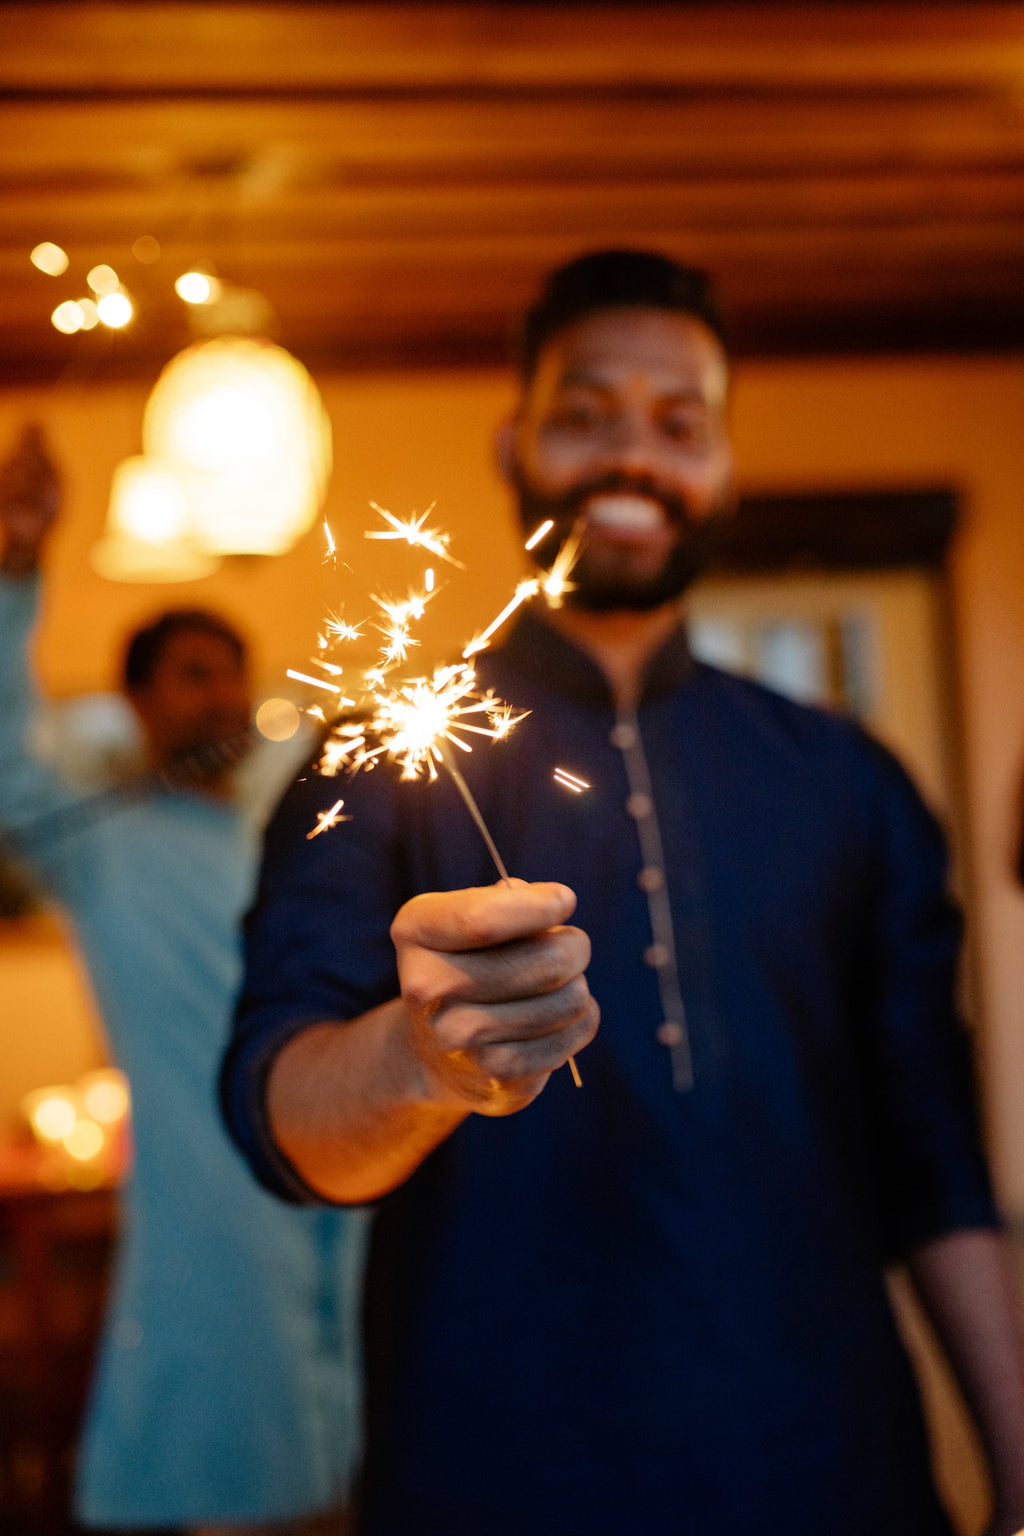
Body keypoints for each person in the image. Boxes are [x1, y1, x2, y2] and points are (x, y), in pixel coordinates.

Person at [220, 251, 1024, 1535]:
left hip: (833, 1471)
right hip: (489, 1483)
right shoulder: (370, 769)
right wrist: (420, 1060)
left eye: (678, 424)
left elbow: (935, 1159)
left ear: (724, 467)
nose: (629, 459)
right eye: (583, 414)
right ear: (513, 441)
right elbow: (281, 1117)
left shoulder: (848, 783)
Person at [0, 424, 366, 1535]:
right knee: (225, 1455)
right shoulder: (105, 843)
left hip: (347, 1173)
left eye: (233, 679)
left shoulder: (285, 836)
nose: (221, 701)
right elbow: (11, 769)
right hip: (206, 1198)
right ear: (145, 702)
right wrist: (16, 568)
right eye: (195, 679)